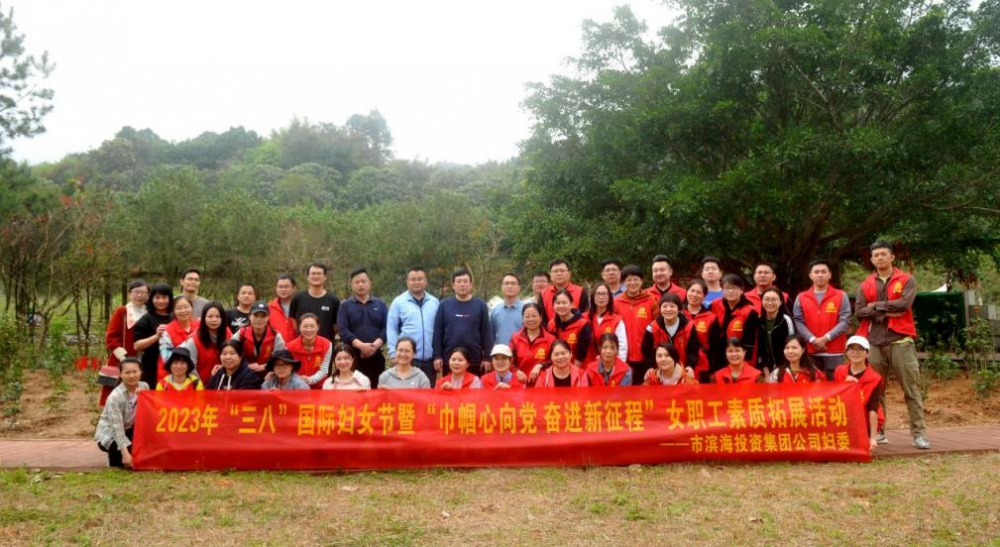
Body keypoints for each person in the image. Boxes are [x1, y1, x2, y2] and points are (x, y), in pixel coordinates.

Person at [855, 240, 929, 449]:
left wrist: (875, 306)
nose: (880, 258)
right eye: (876, 255)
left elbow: (904, 304)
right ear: (871, 260)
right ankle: (878, 431)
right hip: (873, 342)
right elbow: (859, 311)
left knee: (911, 389)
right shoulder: (866, 284)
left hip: (901, 340)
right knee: (875, 390)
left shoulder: (906, 279)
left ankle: (919, 434)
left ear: (892, 257)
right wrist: (887, 312)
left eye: (883, 254)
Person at [793, 259, 851, 380]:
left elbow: (845, 321)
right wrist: (812, 339)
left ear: (830, 275)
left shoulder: (841, 295)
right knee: (812, 384)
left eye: (823, 272)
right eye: (816, 272)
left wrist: (826, 338)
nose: (820, 275)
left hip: (834, 350)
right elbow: (798, 321)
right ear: (810, 275)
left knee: (835, 385)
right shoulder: (801, 297)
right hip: (810, 350)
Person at [433, 268, 493, 376]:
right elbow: (438, 332)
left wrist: (487, 357)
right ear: (453, 285)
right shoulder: (444, 305)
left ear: (471, 284)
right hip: (450, 360)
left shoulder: (480, 305)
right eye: (459, 281)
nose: (462, 284)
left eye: (465, 281)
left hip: (474, 360)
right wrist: (437, 356)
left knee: (474, 387)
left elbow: (486, 333)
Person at [387, 267, 440, 386]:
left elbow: (439, 330)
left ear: (426, 281)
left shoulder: (434, 302)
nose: (416, 282)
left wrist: (438, 355)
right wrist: (393, 354)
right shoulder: (399, 302)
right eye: (413, 279)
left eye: (420, 279)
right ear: (407, 282)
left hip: (429, 360)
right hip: (407, 359)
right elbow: (391, 329)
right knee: (407, 394)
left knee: (428, 394)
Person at [834, 336, 886, 454]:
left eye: (860, 349)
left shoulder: (875, 378)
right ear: (846, 352)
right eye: (852, 349)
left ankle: (867, 435)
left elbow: (873, 408)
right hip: (843, 415)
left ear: (867, 354)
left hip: (863, 418)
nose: (855, 352)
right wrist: (844, 384)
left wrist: (873, 438)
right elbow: (834, 398)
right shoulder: (839, 371)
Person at [337, 267, 388, 387]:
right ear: (351, 284)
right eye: (357, 282)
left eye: (363, 281)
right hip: (353, 357)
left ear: (370, 283)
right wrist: (361, 346)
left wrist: (374, 347)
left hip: (376, 355)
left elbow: (387, 328)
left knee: (377, 390)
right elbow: (343, 330)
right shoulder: (345, 305)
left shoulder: (380, 304)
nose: (360, 285)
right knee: (354, 389)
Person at [94, 358, 147, 468]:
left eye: (135, 371)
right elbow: (116, 428)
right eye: (127, 372)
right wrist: (125, 454)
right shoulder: (115, 396)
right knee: (123, 462)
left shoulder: (144, 387)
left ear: (141, 372)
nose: (131, 376)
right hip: (110, 434)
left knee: (141, 455)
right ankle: (114, 455)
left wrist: (144, 395)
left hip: (130, 429)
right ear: (121, 374)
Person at [102, 279, 148, 406]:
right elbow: (110, 337)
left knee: (138, 397)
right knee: (112, 398)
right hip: (120, 359)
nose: (139, 295)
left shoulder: (149, 313)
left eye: (143, 292)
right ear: (129, 294)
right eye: (136, 292)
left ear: (148, 295)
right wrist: (123, 358)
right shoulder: (122, 311)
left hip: (142, 360)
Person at [641, 293, 702, 380]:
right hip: (659, 372)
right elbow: (646, 350)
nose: (668, 309)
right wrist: (650, 366)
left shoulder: (689, 327)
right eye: (664, 306)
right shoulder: (652, 327)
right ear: (660, 309)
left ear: (679, 309)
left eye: (672, 306)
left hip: (683, 371)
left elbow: (693, 350)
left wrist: (690, 366)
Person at [616, 265, 659, 382]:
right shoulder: (617, 302)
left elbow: (658, 326)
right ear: (623, 282)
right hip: (625, 356)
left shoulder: (650, 300)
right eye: (628, 280)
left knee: (646, 389)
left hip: (647, 356)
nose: (632, 283)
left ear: (642, 281)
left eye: (636, 279)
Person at [709, 274, 760, 375]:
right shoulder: (715, 305)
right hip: (717, 356)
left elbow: (750, 342)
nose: (730, 291)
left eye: (734, 288)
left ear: (741, 290)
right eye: (727, 288)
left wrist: (745, 362)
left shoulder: (750, 311)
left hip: (738, 356)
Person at [132, 283, 173, 387]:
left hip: (173, 366)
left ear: (170, 299)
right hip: (150, 367)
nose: (161, 301)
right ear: (151, 299)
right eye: (157, 297)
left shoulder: (175, 317)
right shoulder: (146, 319)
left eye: (164, 297)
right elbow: (137, 346)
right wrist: (156, 336)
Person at [178, 301, 231, 382]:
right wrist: (200, 386)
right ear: (203, 318)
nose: (214, 320)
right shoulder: (194, 340)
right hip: (202, 384)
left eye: (218, 316)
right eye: (210, 316)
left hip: (225, 384)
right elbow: (191, 367)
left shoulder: (228, 333)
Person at [232, 301, 287, 377]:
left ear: (268, 317)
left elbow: (281, 359)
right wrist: (246, 366)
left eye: (263, 316)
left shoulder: (276, 336)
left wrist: (264, 366)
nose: (259, 319)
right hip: (243, 373)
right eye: (255, 315)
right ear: (249, 316)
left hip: (268, 374)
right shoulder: (241, 334)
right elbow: (231, 354)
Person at [289, 262, 340, 341]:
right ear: (307, 277)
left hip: (326, 344)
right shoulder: (297, 298)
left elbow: (336, 326)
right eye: (313, 273)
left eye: (319, 273)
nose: (316, 276)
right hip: (302, 344)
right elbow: (294, 322)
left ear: (325, 277)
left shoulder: (334, 300)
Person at [510, 302, 556, 384]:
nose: (531, 319)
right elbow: (509, 360)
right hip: (519, 383)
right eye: (527, 316)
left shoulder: (551, 339)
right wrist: (516, 371)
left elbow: (554, 361)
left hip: (543, 384)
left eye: (534, 316)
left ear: (541, 317)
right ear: (523, 319)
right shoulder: (515, 338)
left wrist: (541, 365)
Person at [158, 295, 200, 381]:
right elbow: (167, 358)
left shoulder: (200, 326)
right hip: (172, 376)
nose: (183, 311)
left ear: (192, 308)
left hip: (198, 373)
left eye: (186, 307)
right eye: (179, 308)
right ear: (173, 311)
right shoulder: (167, 331)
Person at [682, 279, 717, 383]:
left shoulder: (711, 317)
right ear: (687, 292)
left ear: (704, 296)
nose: (694, 295)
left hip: (703, 365)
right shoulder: (677, 314)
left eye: (698, 292)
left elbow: (715, 347)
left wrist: (713, 370)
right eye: (692, 291)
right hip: (680, 364)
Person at [755, 288, 795, 377]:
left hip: (785, 368)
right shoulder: (759, 321)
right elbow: (760, 351)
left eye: (774, 299)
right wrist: (766, 373)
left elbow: (792, 347)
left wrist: (781, 371)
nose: (770, 303)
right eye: (766, 299)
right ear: (762, 301)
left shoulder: (786, 321)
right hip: (765, 369)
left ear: (781, 302)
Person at [286, 313, 333, 388]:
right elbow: (288, 369)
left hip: (319, 387)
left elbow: (324, 370)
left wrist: (310, 380)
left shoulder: (327, 345)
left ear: (318, 327)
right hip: (296, 386)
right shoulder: (289, 347)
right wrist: (299, 381)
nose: (308, 329)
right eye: (305, 326)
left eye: (312, 326)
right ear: (299, 327)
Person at [548, 289, 593, 367]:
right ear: (553, 306)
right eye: (558, 303)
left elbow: (582, 352)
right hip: (561, 367)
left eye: (564, 302)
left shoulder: (582, 324)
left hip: (581, 367)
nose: (561, 306)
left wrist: (573, 371)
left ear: (572, 304)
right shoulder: (552, 324)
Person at [589, 283, 627, 362]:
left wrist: (617, 366)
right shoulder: (585, 318)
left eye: (604, 294)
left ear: (609, 297)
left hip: (608, 364)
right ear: (592, 297)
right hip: (587, 365)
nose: (601, 297)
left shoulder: (617, 320)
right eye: (598, 294)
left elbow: (622, 347)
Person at [490, 272, 524, 345]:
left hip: (521, 350)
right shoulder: (495, 311)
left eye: (513, 283)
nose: (509, 286)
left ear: (519, 287)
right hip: (500, 351)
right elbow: (491, 336)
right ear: (501, 287)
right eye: (506, 283)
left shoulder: (526, 310)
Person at [268, 274, 298, 343]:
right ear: (276, 288)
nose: (283, 289)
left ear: (294, 288)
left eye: (286, 287)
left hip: (297, 347)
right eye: (280, 287)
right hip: (276, 347)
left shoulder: (300, 306)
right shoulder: (269, 308)